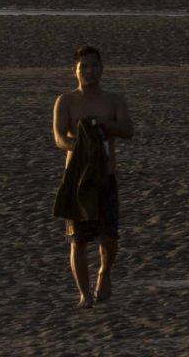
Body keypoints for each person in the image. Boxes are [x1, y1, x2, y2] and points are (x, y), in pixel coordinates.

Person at [51, 45, 136, 307]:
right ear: (74, 71)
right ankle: (84, 294)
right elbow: (59, 137)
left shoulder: (114, 100)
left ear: (101, 69)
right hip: (78, 180)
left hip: (106, 177)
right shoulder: (65, 101)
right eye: (84, 66)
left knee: (109, 238)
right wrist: (80, 144)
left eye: (94, 66)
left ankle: (104, 272)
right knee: (78, 241)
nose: (89, 71)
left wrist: (103, 126)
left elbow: (127, 129)